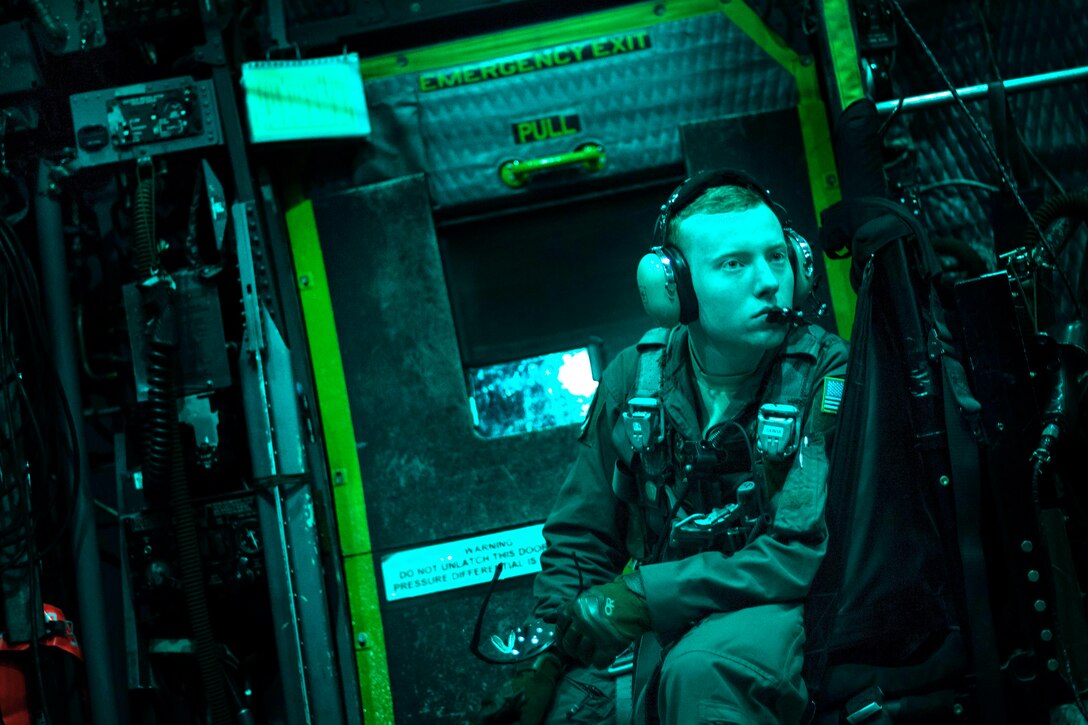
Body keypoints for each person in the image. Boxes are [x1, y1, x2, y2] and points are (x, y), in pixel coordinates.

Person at [479, 169, 849, 725]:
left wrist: (645, 596)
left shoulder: (825, 374)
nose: (770, 282)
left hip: (784, 607)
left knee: (702, 674)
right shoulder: (633, 380)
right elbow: (583, 538)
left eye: (777, 257)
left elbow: (800, 553)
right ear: (672, 290)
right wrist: (548, 663)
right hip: (668, 611)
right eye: (734, 264)